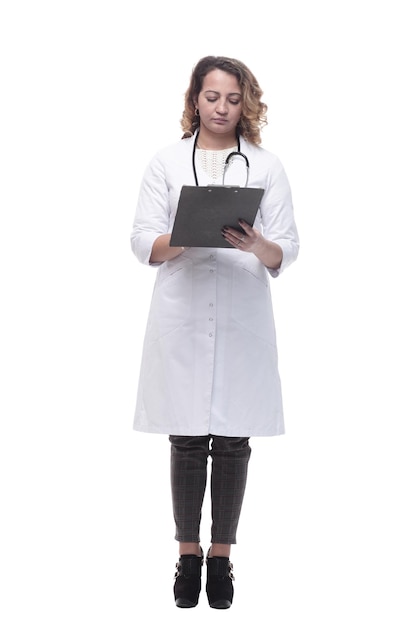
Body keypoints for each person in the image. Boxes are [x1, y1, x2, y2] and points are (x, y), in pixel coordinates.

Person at [130, 55, 299, 610]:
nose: (221, 108)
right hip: (181, 312)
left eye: (232, 99)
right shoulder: (166, 161)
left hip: (241, 316)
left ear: (244, 102)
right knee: (184, 437)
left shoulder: (267, 166)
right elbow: (141, 242)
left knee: (231, 441)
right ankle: (186, 556)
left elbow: (287, 248)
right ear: (194, 99)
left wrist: (255, 245)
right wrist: (188, 233)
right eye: (211, 97)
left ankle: (222, 560)